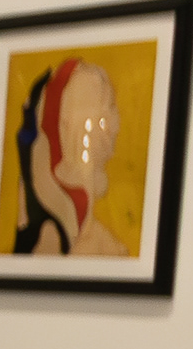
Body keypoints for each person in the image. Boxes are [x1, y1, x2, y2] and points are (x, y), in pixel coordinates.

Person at [9, 53, 131, 259]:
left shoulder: (106, 245)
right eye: (103, 117)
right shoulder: (51, 235)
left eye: (112, 112)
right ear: (66, 127)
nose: (115, 128)